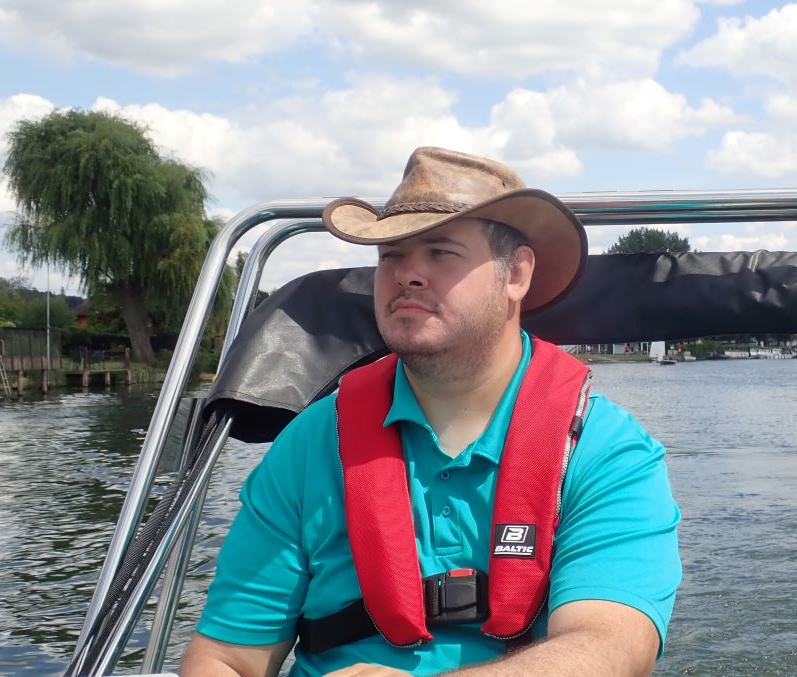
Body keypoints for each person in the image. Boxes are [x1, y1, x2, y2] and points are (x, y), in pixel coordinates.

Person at [181, 147, 681, 676]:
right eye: (391, 255)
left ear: (516, 276)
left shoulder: (607, 451)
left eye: (441, 252)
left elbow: (606, 650)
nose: (407, 275)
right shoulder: (310, 444)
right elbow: (226, 658)